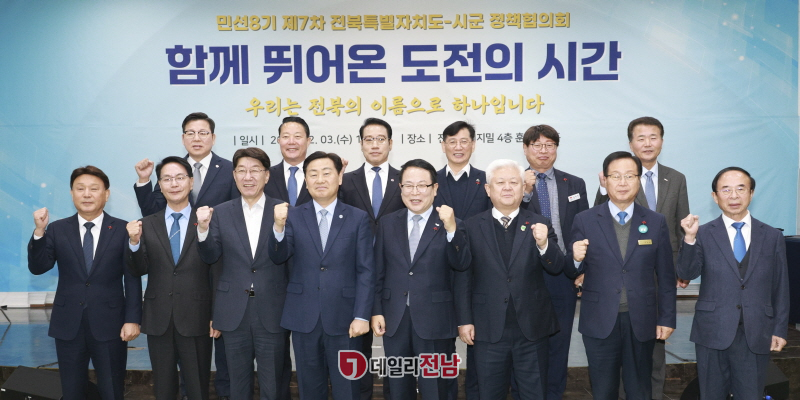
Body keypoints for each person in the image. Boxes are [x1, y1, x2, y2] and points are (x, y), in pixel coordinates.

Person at [133, 111, 235, 400]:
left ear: (213, 137)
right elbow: (152, 213)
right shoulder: (171, 171)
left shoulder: (229, 170)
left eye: (203, 132)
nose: (197, 138)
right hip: (162, 310)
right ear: (182, 138)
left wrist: (218, 310)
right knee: (164, 385)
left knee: (206, 379)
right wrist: (144, 182)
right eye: (191, 133)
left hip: (203, 291)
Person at [593, 117, 690, 400]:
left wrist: (682, 268)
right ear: (631, 143)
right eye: (641, 138)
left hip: (662, 274)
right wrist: (603, 188)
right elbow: (598, 221)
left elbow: (681, 226)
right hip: (626, 275)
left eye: (653, 137)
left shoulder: (676, 178)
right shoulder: (616, 177)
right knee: (622, 351)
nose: (647, 143)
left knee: (655, 349)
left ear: (662, 141)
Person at [567, 151, 676, 400]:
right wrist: (575, 258)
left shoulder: (656, 221)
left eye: (629, 176)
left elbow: (666, 276)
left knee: (640, 389)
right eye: (616, 176)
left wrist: (667, 318)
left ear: (639, 180)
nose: (623, 182)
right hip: (599, 319)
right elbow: (572, 271)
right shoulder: (585, 220)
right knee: (603, 390)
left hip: (642, 319)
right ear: (605, 181)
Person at [28, 166, 142, 400]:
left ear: (106, 194)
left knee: (112, 390)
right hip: (68, 324)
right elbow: (38, 267)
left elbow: (132, 277)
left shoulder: (122, 229)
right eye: (80, 189)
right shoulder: (57, 229)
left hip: (110, 324)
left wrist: (132, 319)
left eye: (94, 189)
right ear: (72, 194)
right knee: (71, 392)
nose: (87, 194)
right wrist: (39, 231)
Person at [269, 151, 375, 400]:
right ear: (305, 181)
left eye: (327, 173)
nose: (320, 179)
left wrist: (362, 315)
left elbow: (366, 270)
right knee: (309, 388)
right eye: (313, 174)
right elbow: (278, 256)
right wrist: (278, 227)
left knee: (347, 388)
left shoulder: (358, 217)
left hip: (346, 318)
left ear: (339, 177)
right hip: (304, 316)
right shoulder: (292, 216)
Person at [455, 159, 564, 400]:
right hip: (487, 327)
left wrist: (544, 244)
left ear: (523, 187)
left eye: (514, 182)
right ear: (488, 189)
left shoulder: (539, 223)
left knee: (534, 393)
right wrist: (464, 320)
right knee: (488, 393)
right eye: (500, 182)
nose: (507, 187)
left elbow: (557, 267)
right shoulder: (471, 226)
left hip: (532, 328)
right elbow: (463, 277)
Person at [677, 167, 788, 398]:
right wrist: (689, 238)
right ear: (715, 196)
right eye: (726, 190)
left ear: (751, 193)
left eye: (740, 189)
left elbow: (781, 287)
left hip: (757, 332)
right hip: (712, 331)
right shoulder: (702, 233)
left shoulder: (772, 236)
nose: (734, 196)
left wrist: (779, 329)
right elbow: (687, 272)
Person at [196, 148, 290, 400]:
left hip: (272, 309)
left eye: (255, 170)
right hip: (233, 310)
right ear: (234, 175)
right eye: (242, 171)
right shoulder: (220, 212)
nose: (248, 177)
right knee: (237, 384)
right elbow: (210, 257)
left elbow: (283, 257)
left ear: (267, 176)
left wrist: (279, 226)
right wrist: (203, 229)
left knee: (273, 384)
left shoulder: (282, 210)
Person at [372, 159, 469, 399]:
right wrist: (376, 311)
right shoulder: (387, 223)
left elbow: (462, 265)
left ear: (434, 189)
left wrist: (451, 230)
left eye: (422, 186)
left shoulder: (452, 224)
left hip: (436, 320)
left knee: (436, 387)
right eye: (408, 186)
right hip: (394, 318)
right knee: (397, 387)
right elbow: (377, 271)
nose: (415, 192)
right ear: (400, 189)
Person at [126, 156, 220, 400]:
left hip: (197, 316)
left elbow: (216, 270)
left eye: (180, 178)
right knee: (163, 388)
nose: (174, 184)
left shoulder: (208, 220)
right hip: (159, 318)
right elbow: (137, 269)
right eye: (167, 179)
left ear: (191, 182)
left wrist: (216, 314)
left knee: (198, 387)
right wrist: (134, 243)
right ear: (159, 185)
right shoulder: (146, 224)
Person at [520, 125, 589, 400]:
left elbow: (583, 228)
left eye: (549, 145)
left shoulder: (574, 183)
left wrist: (581, 268)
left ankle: (553, 394)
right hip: (527, 274)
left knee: (560, 343)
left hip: (564, 273)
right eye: (537, 145)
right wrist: (525, 191)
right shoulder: (515, 182)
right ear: (525, 149)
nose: (543, 150)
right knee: (528, 343)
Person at [338, 117, 404, 399]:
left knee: (397, 345)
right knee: (357, 347)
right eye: (369, 139)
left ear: (390, 143)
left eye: (380, 139)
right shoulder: (345, 181)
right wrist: (336, 179)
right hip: (356, 272)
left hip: (396, 272)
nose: (375, 145)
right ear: (361, 144)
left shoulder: (405, 180)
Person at [433, 121, 491, 400]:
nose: (458, 147)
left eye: (464, 141)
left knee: (478, 343)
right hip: (439, 272)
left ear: (473, 145)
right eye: (452, 141)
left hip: (480, 271)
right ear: (443, 145)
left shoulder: (487, 180)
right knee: (440, 345)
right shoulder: (430, 181)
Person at [264, 116, 313, 206]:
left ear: (308, 141)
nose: (291, 142)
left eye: (297, 136)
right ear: (279, 141)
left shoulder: (319, 176)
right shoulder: (266, 175)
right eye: (286, 136)